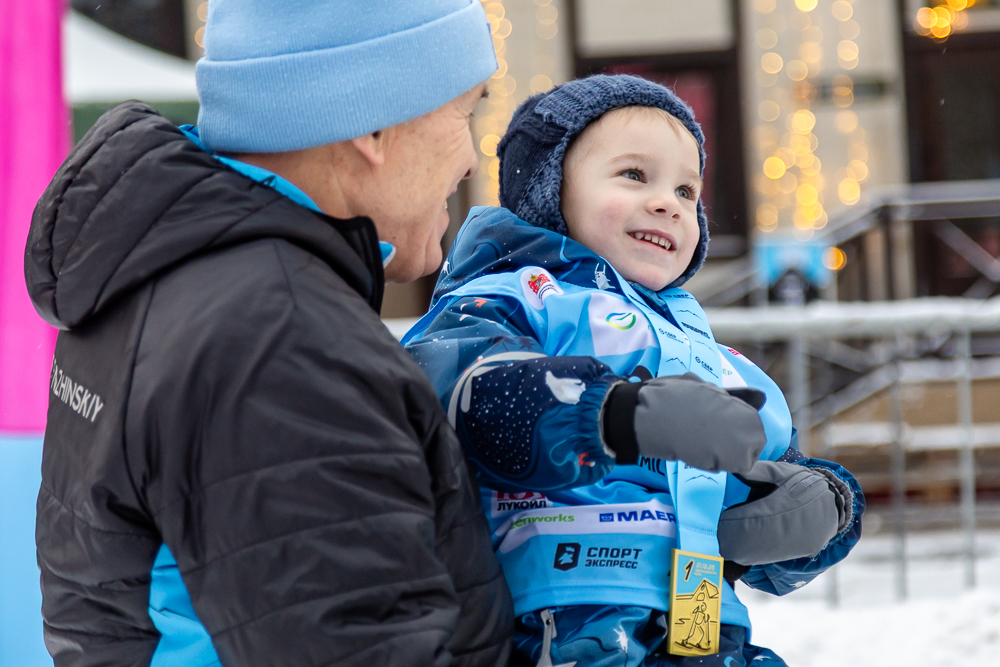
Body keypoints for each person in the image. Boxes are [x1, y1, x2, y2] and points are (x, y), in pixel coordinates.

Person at [25, 2, 514, 666]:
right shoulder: (285, 344)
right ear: (372, 124)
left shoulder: (171, 275)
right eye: (466, 111)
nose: (467, 157)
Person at [403, 75, 864, 666]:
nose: (668, 202)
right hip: (559, 621)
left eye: (687, 190)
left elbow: (774, 459)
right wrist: (612, 412)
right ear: (552, 190)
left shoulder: (712, 356)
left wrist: (824, 507)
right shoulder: (518, 297)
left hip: (704, 623)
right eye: (633, 175)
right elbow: (457, 389)